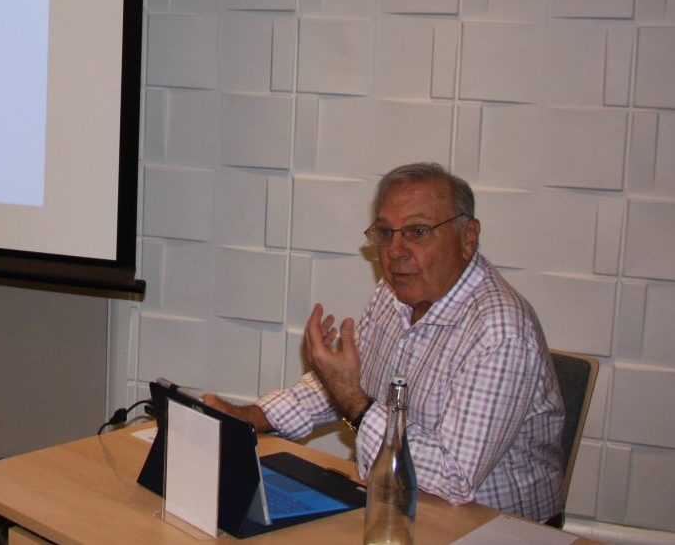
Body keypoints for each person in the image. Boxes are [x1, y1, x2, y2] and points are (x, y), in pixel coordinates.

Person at [203, 162, 564, 522]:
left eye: (418, 232)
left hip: (492, 525)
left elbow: (453, 478)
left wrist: (355, 403)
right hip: (401, 503)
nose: (395, 251)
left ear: (467, 238)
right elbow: (345, 385)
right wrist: (250, 419)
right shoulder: (394, 293)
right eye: (386, 233)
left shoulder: (500, 330)